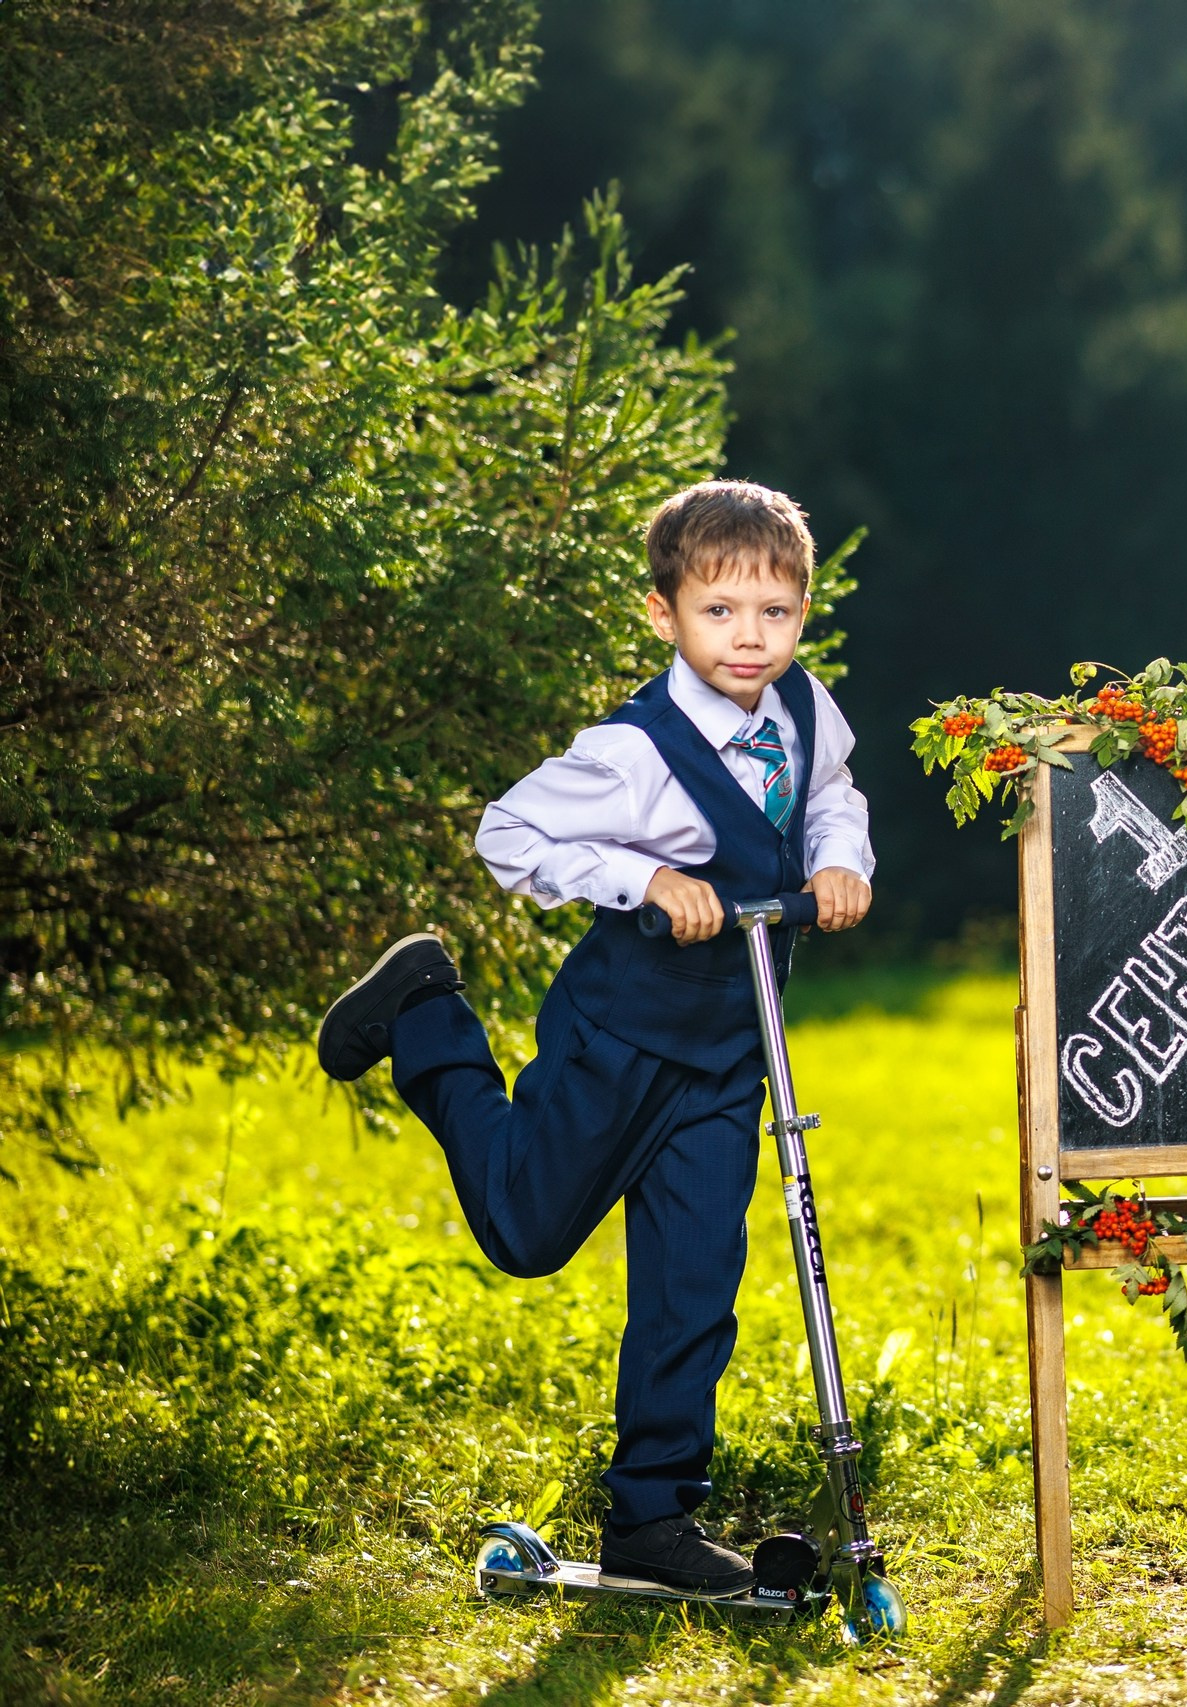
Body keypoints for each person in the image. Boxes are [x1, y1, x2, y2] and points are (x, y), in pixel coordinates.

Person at [316, 480, 875, 1593]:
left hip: (728, 1053)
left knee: (693, 1283)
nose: (750, 637)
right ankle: (429, 1012)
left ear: (802, 613)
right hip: (619, 1033)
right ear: (666, 614)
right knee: (526, 1231)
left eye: (774, 612)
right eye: (720, 612)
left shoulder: (807, 711)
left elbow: (831, 794)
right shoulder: (633, 752)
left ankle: (653, 1518)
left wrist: (840, 859)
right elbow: (508, 833)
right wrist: (645, 875)